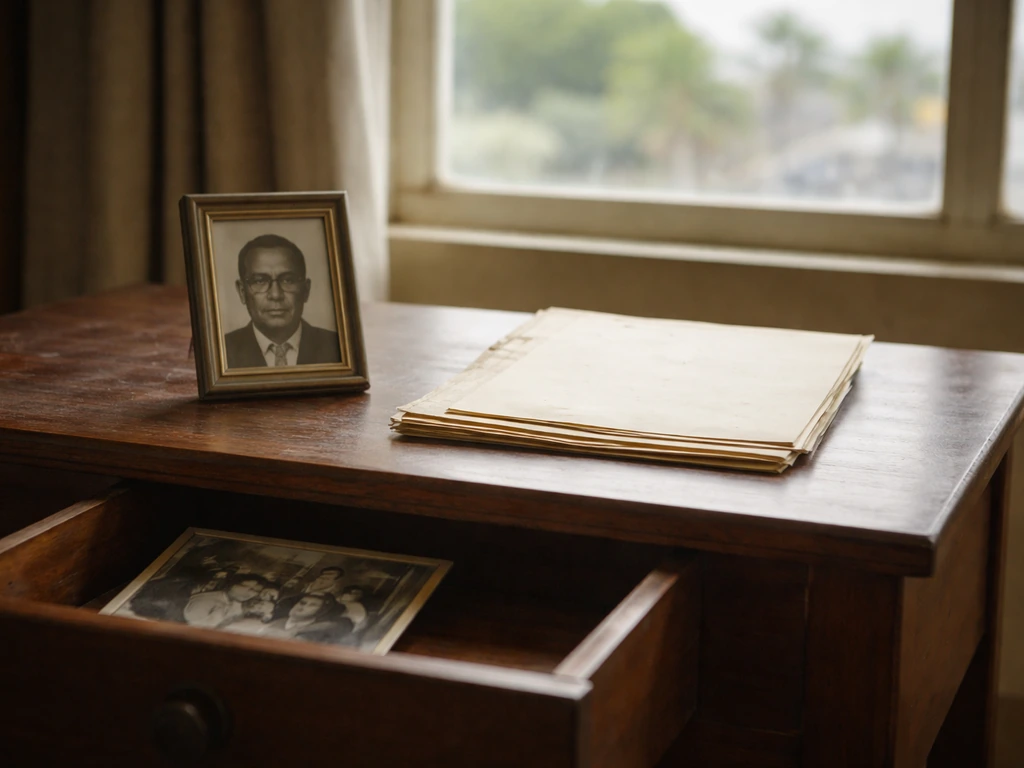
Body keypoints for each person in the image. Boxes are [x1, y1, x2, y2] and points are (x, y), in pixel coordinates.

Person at [224, 234, 341, 369]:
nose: (275, 294)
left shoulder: (337, 347)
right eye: (260, 281)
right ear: (242, 292)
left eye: (288, 280)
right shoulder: (221, 352)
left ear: (305, 290)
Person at [182, 575, 267, 629]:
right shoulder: (205, 600)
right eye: (247, 587)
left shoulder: (235, 604)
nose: (251, 593)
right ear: (232, 584)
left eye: (256, 591)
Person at [263, 593, 353, 644]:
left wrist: (297, 631)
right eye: (302, 603)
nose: (302, 607)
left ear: (321, 611)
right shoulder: (277, 622)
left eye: (312, 605)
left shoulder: (316, 633)